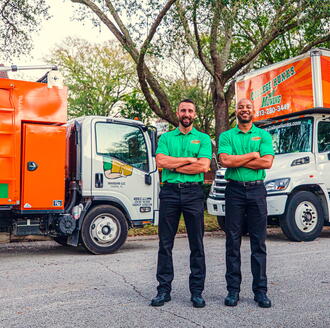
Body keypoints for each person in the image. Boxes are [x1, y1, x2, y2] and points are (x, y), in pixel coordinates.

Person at [150, 99, 212, 308]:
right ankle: (163, 290)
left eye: (190, 111)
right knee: (165, 244)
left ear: (195, 114)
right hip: (169, 193)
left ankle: (196, 292)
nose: (186, 113)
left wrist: (174, 165)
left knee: (197, 244)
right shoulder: (166, 137)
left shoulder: (203, 139)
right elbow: (160, 162)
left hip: (194, 193)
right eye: (183, 110)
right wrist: (189, 161)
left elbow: (203, 167)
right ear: (177, 113)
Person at [218, 98, 274, 308]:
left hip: (257, 190)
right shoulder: (227, 136)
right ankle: (233, 291)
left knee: (258, 242)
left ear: (253, 111)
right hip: (234, 191)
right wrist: (252, 155)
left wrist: (237, 158)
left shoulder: (263, 135)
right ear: (236, 111)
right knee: (232, 242)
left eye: (248, 107)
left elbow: (267, 162)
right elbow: (225, 161)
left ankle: (260, 292)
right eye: (241, 107)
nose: (244, 110)